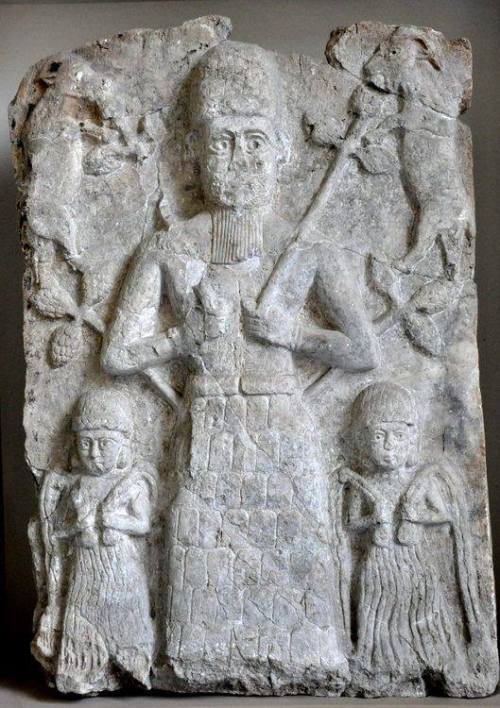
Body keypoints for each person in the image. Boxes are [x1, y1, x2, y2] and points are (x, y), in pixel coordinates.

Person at [101, 41, 379, 692]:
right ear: (192, 152)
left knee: (296, 559)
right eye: (222, 141)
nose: (238, 158)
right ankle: (201, 659)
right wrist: (180, 338)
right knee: (205, 556)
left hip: (284, 428)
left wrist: (294, 333)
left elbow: (363, 351)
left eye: (255, 141)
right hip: (208, 427)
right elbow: (116, 354)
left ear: (281, 152)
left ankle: (308, 658)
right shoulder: (170, 248)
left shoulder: (305, 249)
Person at [337, 381, 484, 696]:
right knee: (377, 616)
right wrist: (373, 519)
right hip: (378, 565)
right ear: (363, 440)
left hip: (414, 564)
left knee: (424, 613)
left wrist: (414, 515)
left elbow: (444, 515)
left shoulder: (417, 482)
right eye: (380, 436)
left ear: (411, 440)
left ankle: (433, 661)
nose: (389, 446)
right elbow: (350, 523)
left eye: (398, 436)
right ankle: (380, 667)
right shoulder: (364, 484)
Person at [48, 388, 157, 694]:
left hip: (122, 570)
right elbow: (58, 528)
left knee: (127, 624)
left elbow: (144, 524)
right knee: (83, 627)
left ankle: (133, 667)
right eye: (86, 443)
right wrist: (76, 525)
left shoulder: (131, 484)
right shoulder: (78, 485)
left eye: (104, 444)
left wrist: (115, 521)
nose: (94, 453)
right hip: (85, 570)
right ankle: (80, 671)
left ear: (124, 445)